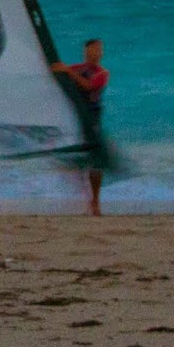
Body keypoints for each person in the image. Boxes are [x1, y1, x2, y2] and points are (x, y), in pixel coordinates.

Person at [50, 38, 114, 216]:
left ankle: (95, 201)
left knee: (95, 160)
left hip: (92, 118)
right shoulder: (77, 68)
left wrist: (67, 71)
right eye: (93, 50)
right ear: (86, 52)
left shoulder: (102, 73)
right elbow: (58, 74)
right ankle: (78, 198)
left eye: (99, 50)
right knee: (77, 156)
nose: (96, 53)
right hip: (74, 117)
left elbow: (88, 86)